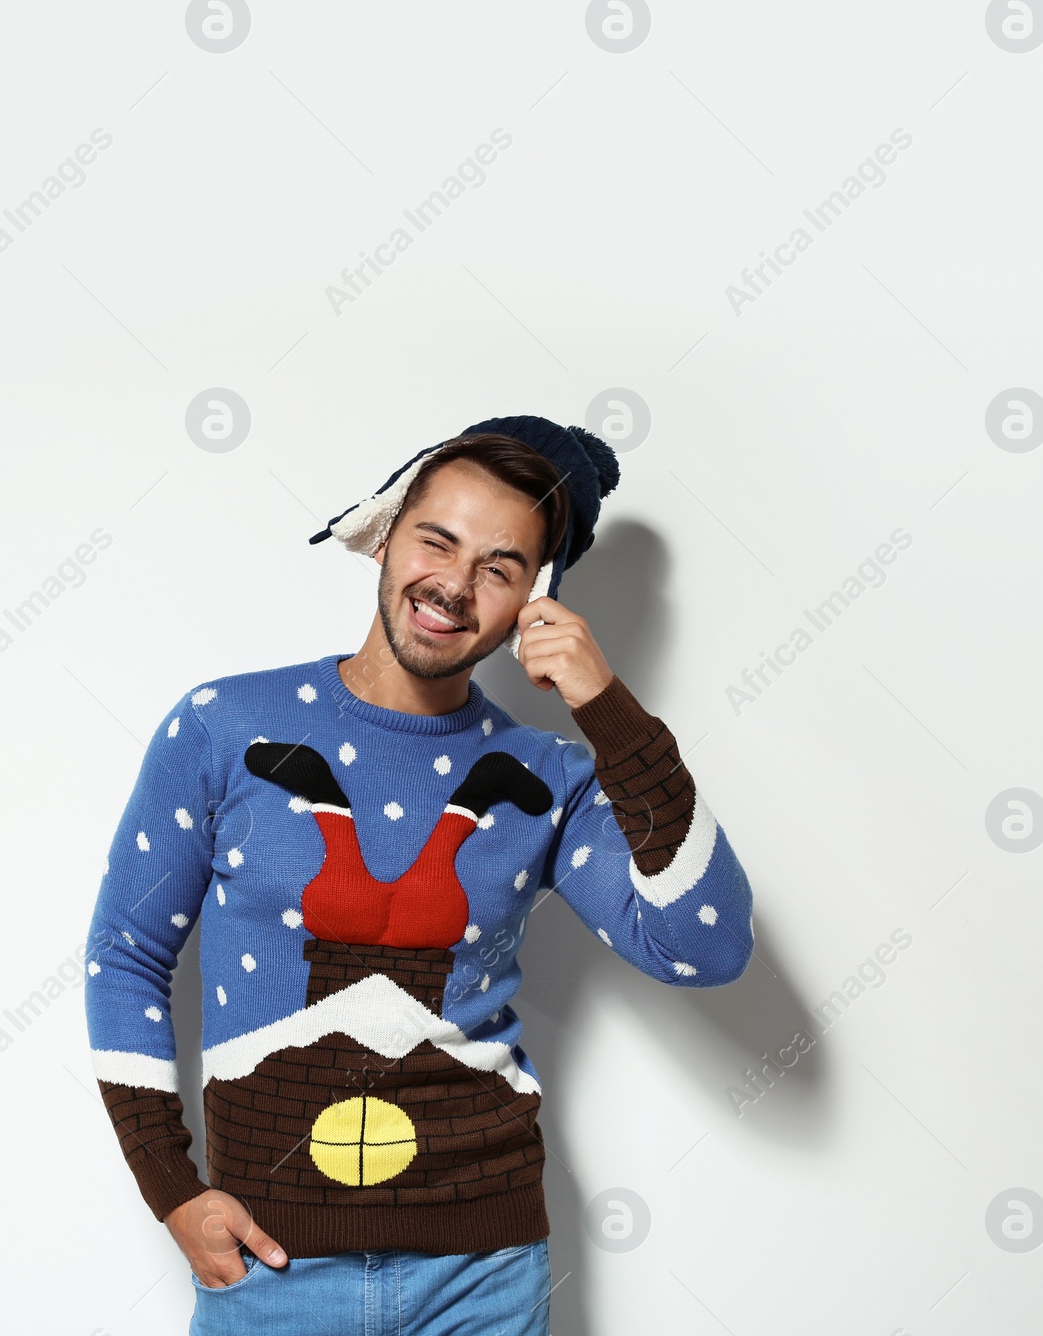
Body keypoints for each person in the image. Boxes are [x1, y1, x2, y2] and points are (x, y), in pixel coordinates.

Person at [84, 415, 755, 1334]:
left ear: (535, 600)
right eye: (437, 539)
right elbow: (124, 955)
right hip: (271, 1269)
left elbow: (706, 947)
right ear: (386, 534)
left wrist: (611, 713)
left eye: (501, 566)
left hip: (483, 1275)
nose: (453, 582)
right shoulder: (224, 725)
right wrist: (172, 1189)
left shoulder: (548, 776)